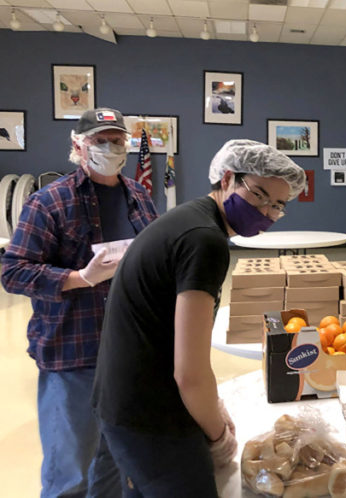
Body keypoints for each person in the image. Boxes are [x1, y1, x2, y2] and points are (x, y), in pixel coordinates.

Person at [91, 139, 306, 496]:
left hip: (120, 398)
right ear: (227, 180)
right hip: (150, 415)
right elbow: (189, 372)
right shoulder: (205, 241)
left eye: (278, 205)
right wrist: (218, 434)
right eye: (258, 195)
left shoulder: (187, 218)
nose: (267, 211)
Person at [1, 108, 157, 497]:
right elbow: (13, 271)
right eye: (100, 140)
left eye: (117, 139)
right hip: (74, 354)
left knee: (118, 463)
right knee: (71, 470)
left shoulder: (139, 196)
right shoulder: (48, 202)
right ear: (78, 145)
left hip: (128, 352)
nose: (110, 146)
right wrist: (79, 278)